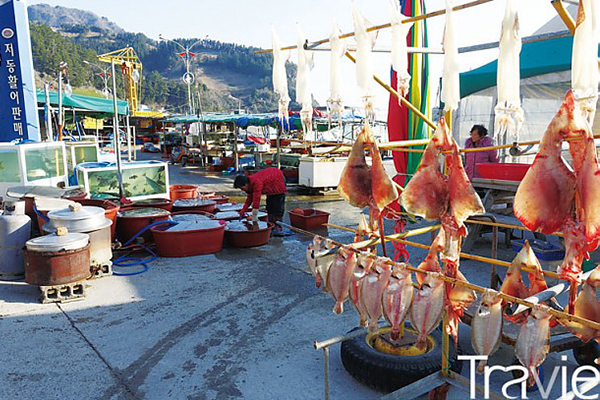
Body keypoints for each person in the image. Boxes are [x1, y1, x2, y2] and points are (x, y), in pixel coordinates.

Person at [234, 167, 287, 232]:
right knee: (270, 206)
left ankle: (279, 227)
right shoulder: (249, 184)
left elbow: (256, 199)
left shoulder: (256, 182)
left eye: (242, 188)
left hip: (277, 178)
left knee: (277, 207)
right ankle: (272, 226)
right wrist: (243, 210)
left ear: (245, 184)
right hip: (270, 182)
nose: (242, 190)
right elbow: (250, 198)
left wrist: (254, 215)